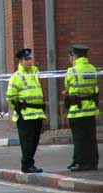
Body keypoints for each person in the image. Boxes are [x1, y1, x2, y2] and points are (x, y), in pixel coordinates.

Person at [6, 48, 46, 173]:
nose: (29, 61)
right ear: (21, 61)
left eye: (30, 59)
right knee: (27, 142)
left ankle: (29, 163)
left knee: (34, 141)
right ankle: (27, 165)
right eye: (26, 59)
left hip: (37, 113)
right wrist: (17, 108)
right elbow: (10, 96)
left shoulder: (35, 74)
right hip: (25, 114)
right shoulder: (16, 77)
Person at [63, 44, 99, 172]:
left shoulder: (71, 71)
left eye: (70, 55)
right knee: (90, 137)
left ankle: (82, 163)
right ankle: (92, 162)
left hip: (77, 110)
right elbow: (94, 87)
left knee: (79, 138)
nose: (69, 58)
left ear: (74, 55)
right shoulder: (92, 69)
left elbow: (68, 86)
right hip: (90, 108)